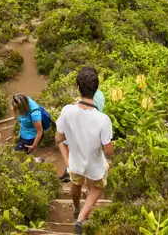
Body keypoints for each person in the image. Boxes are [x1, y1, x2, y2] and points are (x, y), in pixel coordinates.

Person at [55, 67, 114, 234]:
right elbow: (108, 152)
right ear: (96, 89)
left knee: (76, 182)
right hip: (94, 166)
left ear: (78, 87)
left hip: (75, 162)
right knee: (97, 188)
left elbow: (58, 138)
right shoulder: (103, 120)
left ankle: (75, 207)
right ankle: (81, 218)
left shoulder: (67, 111)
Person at [59, 86, 105, 182]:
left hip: (82, 125)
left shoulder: (85, 96)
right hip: (94, 127)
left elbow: (82, 109)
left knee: (62, 142)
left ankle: (70, 170)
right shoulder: (100, 95)